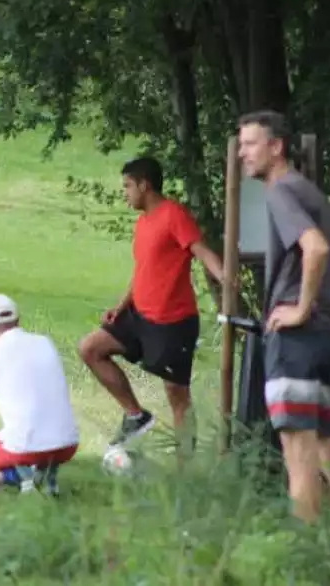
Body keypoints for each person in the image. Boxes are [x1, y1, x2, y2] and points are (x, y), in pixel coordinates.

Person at [78, 156, 225, 450]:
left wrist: (226, 279)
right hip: (137, 316)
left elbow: (201, 251)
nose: (125, 193)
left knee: (177, 396)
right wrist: (121, 307)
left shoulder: (174, 215)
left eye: (128, 186)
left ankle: (185, 471)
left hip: (172, 322)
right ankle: (136, 414)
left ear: (144, 185)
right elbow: (144, 270)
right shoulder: (143, 223)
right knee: (90, 348)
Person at [238, 110, 330, 524]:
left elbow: (316, 249)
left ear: (276, 147)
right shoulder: (310, 193)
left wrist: (299, 308)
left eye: (250, 144)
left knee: (299, 458)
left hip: (297, 342)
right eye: (241, 145)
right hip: (326, 337)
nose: (243, 153)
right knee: (328, 450)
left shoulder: (281, 191)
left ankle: (303, 555)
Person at [0, 294, 79, 496]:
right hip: (67, 443)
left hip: (23, 446)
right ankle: (39, 472)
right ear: (17, 321)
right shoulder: (45, 342)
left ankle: (20, 477)